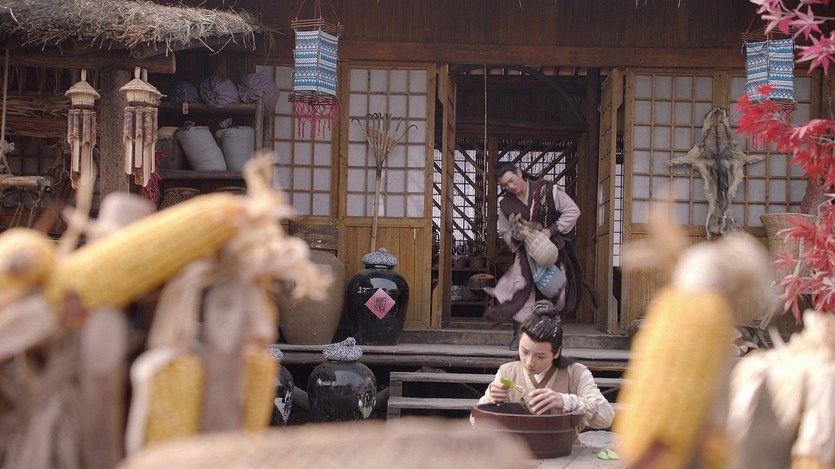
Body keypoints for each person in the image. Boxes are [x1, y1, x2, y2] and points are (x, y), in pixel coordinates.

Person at [485, 161, 598, 350]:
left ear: (519, 172)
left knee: (555, 290)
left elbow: (573, 211)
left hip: (551, 251)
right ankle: (520, 335)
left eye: (511, 180)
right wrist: (515, 235)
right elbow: (504, 231)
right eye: (505, 185)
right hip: (525, 253)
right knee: (520, 289)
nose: (510, 186)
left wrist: (551, 230)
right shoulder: (506, 204)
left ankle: (550, 337)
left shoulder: (548, 190)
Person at [477, 301, 614, 432]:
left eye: (540, 356)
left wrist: (566, 401)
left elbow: (606, 417)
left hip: (565, 446)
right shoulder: (507, 372)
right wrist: (491, 399)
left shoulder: (576, 373)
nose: (529, 362)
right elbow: (476, 422)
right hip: (514, 448)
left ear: (557, 352)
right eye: (524, 352)